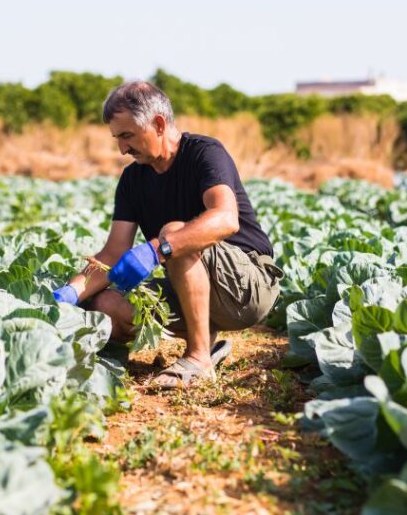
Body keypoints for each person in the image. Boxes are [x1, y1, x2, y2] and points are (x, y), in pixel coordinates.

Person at [52, 81, 283, 389]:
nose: (122, 149)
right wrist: (68, 295)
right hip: (193, 288)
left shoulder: (204, 153)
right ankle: (205, 340)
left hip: (248, 287)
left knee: (174, 233)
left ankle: (199, 359)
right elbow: (113, 253)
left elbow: (226, 219)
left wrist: (157, 249)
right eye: (117, 138)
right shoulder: (133, 179)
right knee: (106, 304)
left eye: (127, 136)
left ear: (158, 124)